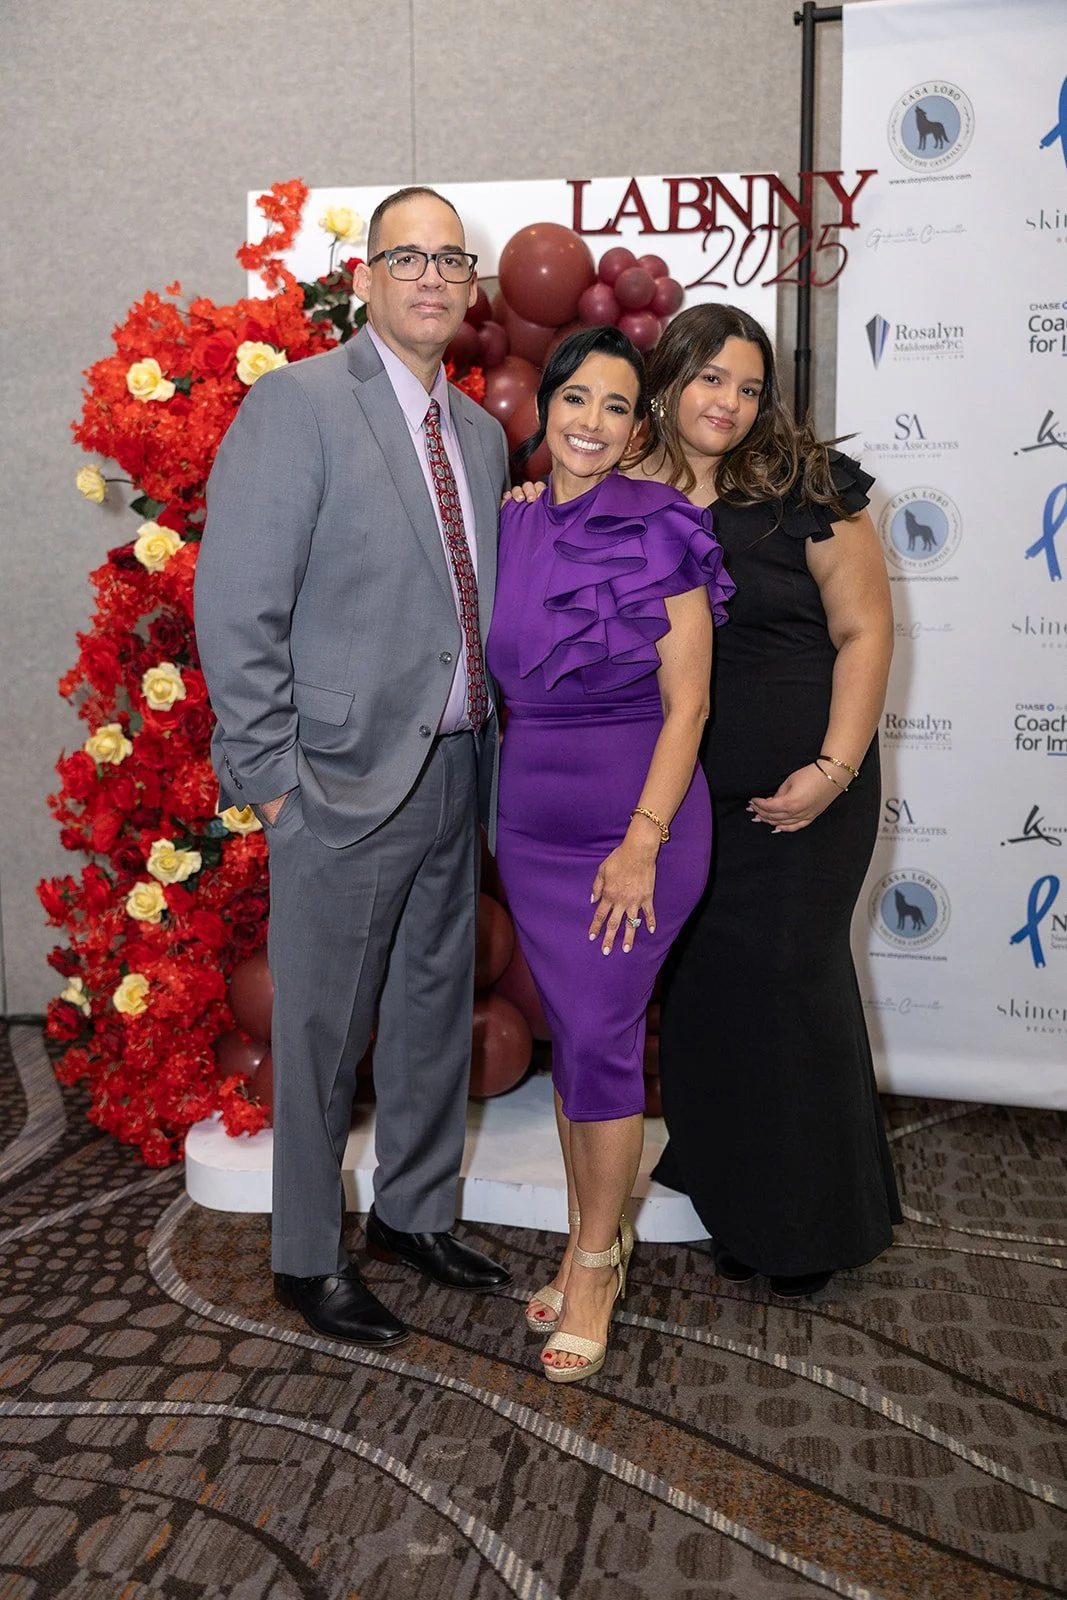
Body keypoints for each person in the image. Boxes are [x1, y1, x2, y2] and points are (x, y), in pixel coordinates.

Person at [195, 186, 512, 1348]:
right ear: (366, 278)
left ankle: (412, 1214)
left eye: (448, 259)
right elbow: (236, 608)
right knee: (322, 1032)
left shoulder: (478, 434)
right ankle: (304, 1256)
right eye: (404, 257)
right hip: (331, 782)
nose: (429, 277)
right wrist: (271, 779)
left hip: (452, 767)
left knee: (434, 1008)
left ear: (469, 285)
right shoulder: (297, 406)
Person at [630, 302, 901, 1298]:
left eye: (748, 387)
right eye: (711, 380)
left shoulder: (807, 485)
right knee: (702, 993)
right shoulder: (624, 492)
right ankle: (731, 1193)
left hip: (808, 795)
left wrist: (830, 769)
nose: (730, 403)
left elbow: (863, 633)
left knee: (790, 982)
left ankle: (813, 1221)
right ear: (667, 381)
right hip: (686, 797)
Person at [487, 326, 735, 1382]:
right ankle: (588, 1234)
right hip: (531, 824)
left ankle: (594, 1264)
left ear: (641, 426)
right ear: (544, 405)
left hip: (638, 822)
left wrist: (640, 843)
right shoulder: (510, 522)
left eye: (616, 406)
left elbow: (689, 706)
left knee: (596, 1035)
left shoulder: (663, 523)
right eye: (574, 398)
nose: (590, 422)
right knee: (576, 1037)